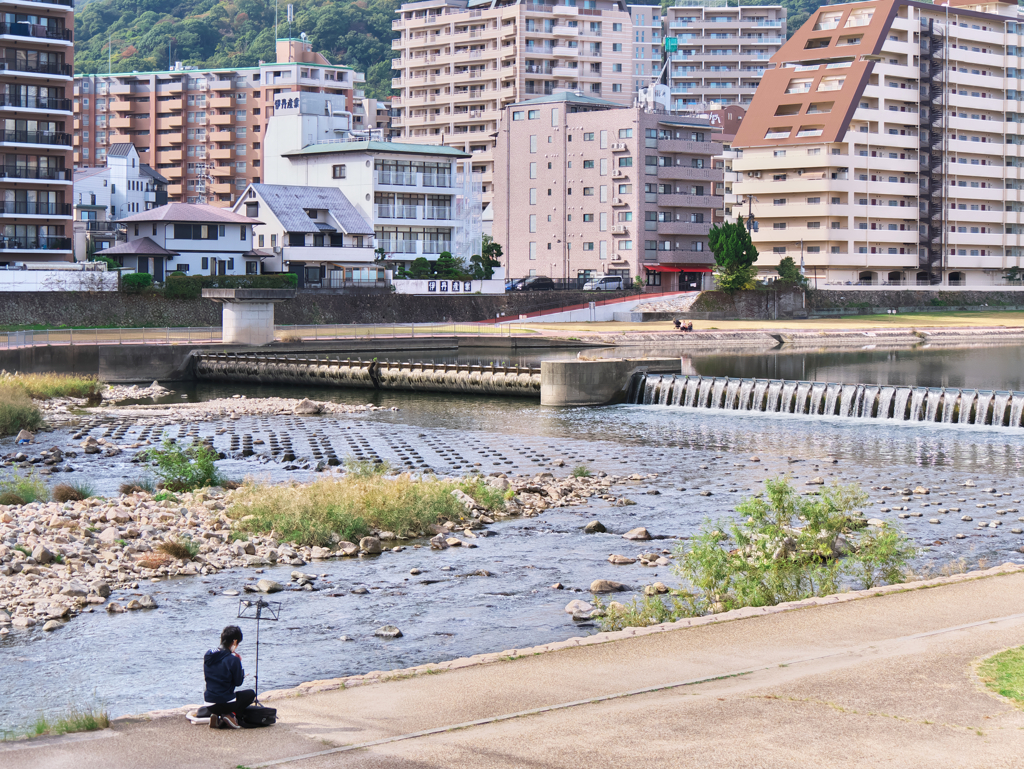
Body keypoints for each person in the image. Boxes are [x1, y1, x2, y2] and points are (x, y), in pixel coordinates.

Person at [204, 625, 256, 730]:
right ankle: (230, 715)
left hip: (209, 702)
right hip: (226, 703)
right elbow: (238, 682)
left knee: (220, 695)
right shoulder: (233, 660)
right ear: (235, 642)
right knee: (250, 694)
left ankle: (217, 716)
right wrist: (239, 666)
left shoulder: (209, 654)